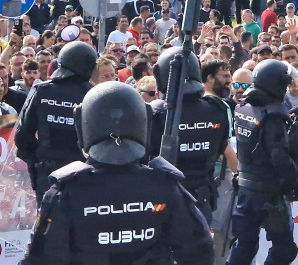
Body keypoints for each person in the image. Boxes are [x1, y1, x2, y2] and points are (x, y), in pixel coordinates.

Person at [21, 81, 214, 264]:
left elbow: (42, 258)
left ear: (83, 124)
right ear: (143, 122)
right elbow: (199, 251)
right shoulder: (166, 186)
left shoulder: (66, 192)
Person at [227, 59, 298, 265]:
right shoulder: (274, 115)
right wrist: (296, 184)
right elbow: (279, 157)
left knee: (244, 246)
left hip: (245, 189)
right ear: (276, 85)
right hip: (268, 192)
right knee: (285, 249)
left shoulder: (243, 107)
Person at [149, 52, 235, 223]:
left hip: (165, 200)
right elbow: (221, 147)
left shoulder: (155, 112)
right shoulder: (217, 108)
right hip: (201, 199)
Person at [15, 40, 97, 202]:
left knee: (48, 223)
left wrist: (37, 159)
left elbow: (23, 136)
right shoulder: (94, 95)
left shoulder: (42, 90)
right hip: (83, 173)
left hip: (47, 173)